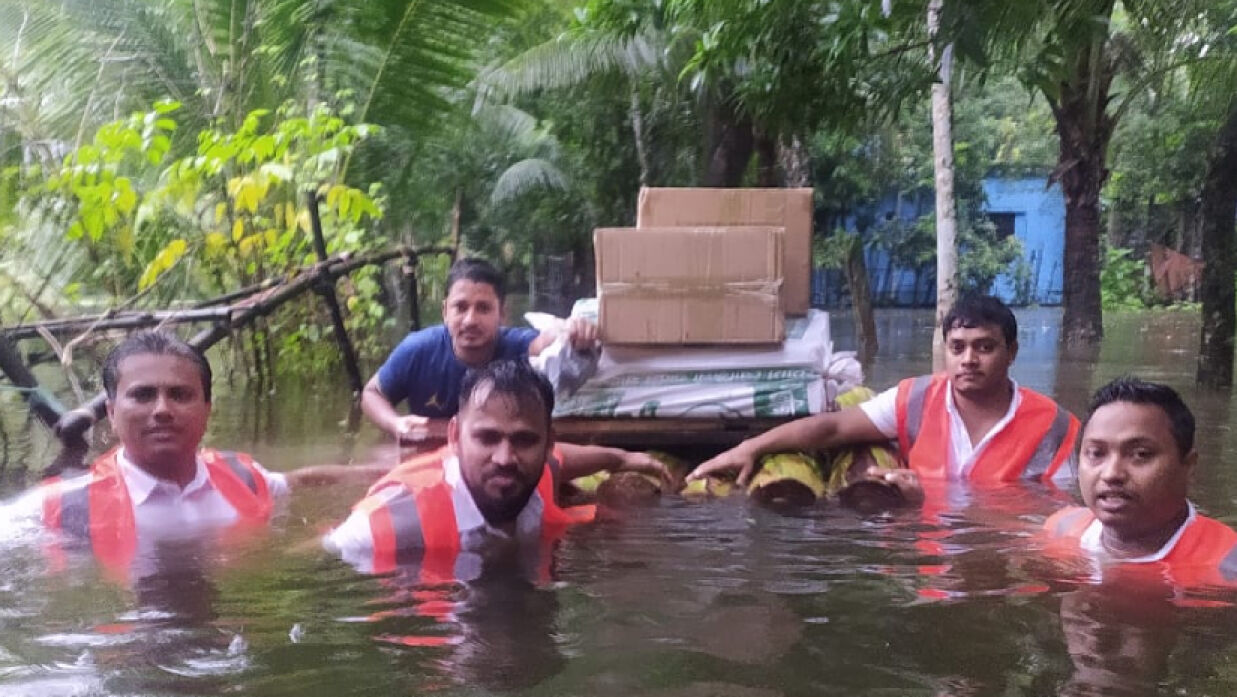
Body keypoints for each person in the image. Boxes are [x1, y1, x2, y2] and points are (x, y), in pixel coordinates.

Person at [22, 331, 384, 574]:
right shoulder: (60, 507)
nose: (162, 409)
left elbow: (303, 482)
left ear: (207, 410)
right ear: (112, 413)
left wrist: (388, 474)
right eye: (143, 395)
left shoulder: (242, 477)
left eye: (180, 395)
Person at [687, 294, 1079, 492]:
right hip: (927, 563)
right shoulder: (918, 398)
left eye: (985, 347)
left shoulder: (1055, 427)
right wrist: (750, 448)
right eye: (957, 347)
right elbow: (832, 429)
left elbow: (1046, 517)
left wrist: (927, 499)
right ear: (945, 351)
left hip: (1002, 565)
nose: (969, 360)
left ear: (1011, 352)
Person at [361, 255, 671, 488]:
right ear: (445, 311)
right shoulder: (418, 349)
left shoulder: (516, 346)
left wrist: (574, 334)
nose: (470, 319)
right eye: (460, 307)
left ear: (502, 314)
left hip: (497, 460)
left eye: (483, 308)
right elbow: (372, 393)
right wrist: (396, 423)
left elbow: (545, 341)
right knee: (372, 469)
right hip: (432, 454)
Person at [325, 359, 596, 576]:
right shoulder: (376, 528)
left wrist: (627, 459)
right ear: (454, 436)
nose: (505, 458)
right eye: (487, 438)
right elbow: (327, 552)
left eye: (524, 440)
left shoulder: (542, 474)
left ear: (548, 443)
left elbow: (571, 461)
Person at [1043, 377, 1237, 586]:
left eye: (1141, 454)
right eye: (1096, 453)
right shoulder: (1060, 529)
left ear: (1188, 465)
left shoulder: (1227, 566)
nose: (1111, 473)